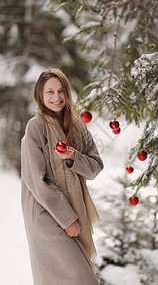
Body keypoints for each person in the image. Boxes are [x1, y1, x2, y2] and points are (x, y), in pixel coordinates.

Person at [21, 68, 104, 285]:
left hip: (74, 209)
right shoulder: (35, 127)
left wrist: (73, 156)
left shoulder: (77, 127)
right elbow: (37, 181)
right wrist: (67, 220)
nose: (56, 98)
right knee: (79, 279)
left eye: (60, 91)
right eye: (49, 92)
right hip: (46, 214)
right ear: (40, 95)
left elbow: (95, 168)